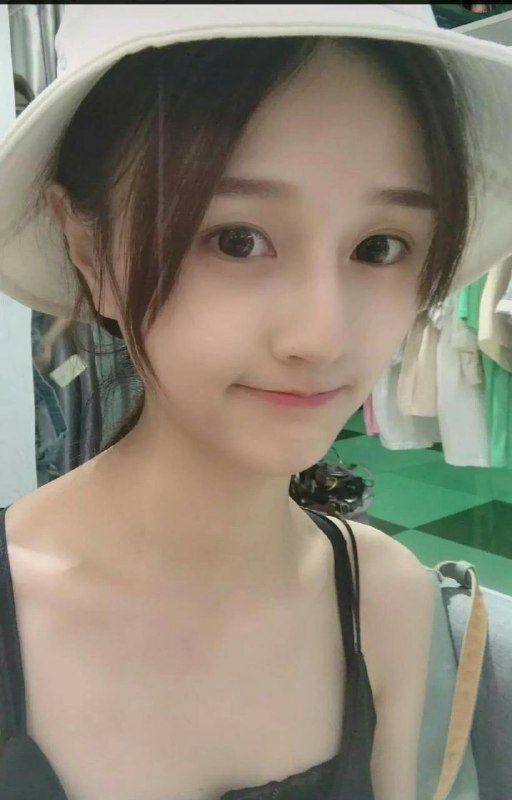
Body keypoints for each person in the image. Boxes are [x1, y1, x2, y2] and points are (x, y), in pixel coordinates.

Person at [1, 5, 512, 800]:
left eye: (379, 247)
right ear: (89, 248)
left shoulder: (387, 601)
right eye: (237, 239)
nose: (322, 336)